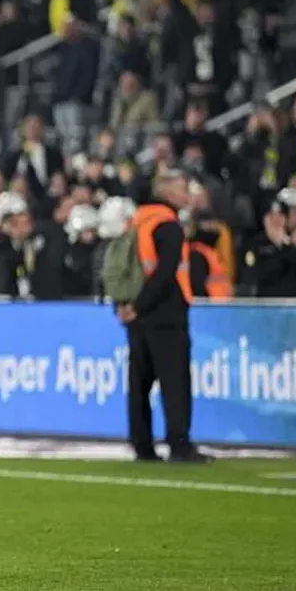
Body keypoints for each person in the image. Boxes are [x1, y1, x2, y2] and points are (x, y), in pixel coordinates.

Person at [117, 170, 212, 463]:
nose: (187, 194)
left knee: (140, 383)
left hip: (136, 316)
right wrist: (141, 305)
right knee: (175, 383)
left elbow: (120, 267)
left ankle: (142, 444)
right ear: (168, 191)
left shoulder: (137, 221)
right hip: (165, 314)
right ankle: (179, 444)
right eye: (182, 188)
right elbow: (166, 271)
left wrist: (126, 305)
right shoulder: (168, 225)